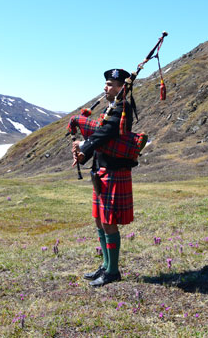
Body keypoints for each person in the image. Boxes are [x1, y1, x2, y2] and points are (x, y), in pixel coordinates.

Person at [72, 68, 138, 287]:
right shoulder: (111, 107)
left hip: (113, 170)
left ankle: (112, 271)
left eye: (110, 84)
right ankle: (105, 264)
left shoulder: (123, 107)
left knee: (109, 222)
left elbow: (106, 132)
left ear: (121, 87)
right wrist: (85, 150)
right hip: (101, 168)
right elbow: (101, 132)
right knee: (99, 220)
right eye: (106, 84)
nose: (105, 87)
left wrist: (84, 146)